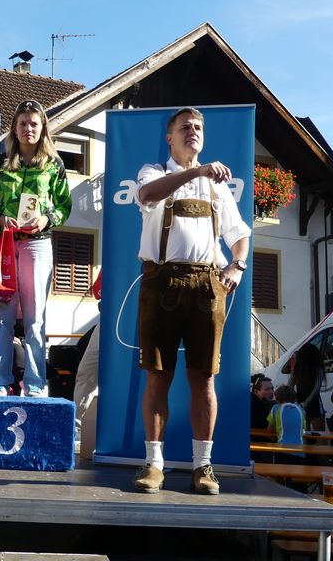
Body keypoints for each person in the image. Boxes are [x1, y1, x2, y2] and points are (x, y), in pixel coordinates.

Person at [132, 107, 251, 496]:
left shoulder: (218, 188)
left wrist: (237, 265)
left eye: (198, 127)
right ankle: (154, 464)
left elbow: (239, 233)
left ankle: (203, 466)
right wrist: (197, 172)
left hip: (206, 287)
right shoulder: (153, 172)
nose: (193, 132)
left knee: (204, 378)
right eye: (185, 127)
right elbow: (147, 195)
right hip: (161, 282)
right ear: (170, 137)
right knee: (158, 376)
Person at [0, 100, 71, 397]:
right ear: (14, 129)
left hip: (37, 244)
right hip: (3, 242)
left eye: (34, 124)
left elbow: (64, 206)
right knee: (1, 316)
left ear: (43, 129)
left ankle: (34, 383)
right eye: (23, 123)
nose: (28, 128)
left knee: (35, 316)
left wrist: (47, 218)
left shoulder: (53, 165)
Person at [290, 342, 327, 430]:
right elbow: (316, 389)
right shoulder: (318, 369)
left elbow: (290, 385)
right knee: (319, 432)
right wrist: (305, 403)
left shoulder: (298, 368)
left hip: (300, 400)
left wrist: (295, 400)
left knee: (303, 431)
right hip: (314, 403)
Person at [266, 384, 305, 464]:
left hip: (282, 449)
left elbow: (269, 430)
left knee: (278, 471)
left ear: (277, 398)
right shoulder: (301, 409)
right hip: (299, 450)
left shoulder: (276, 408)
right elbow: (303, 429)